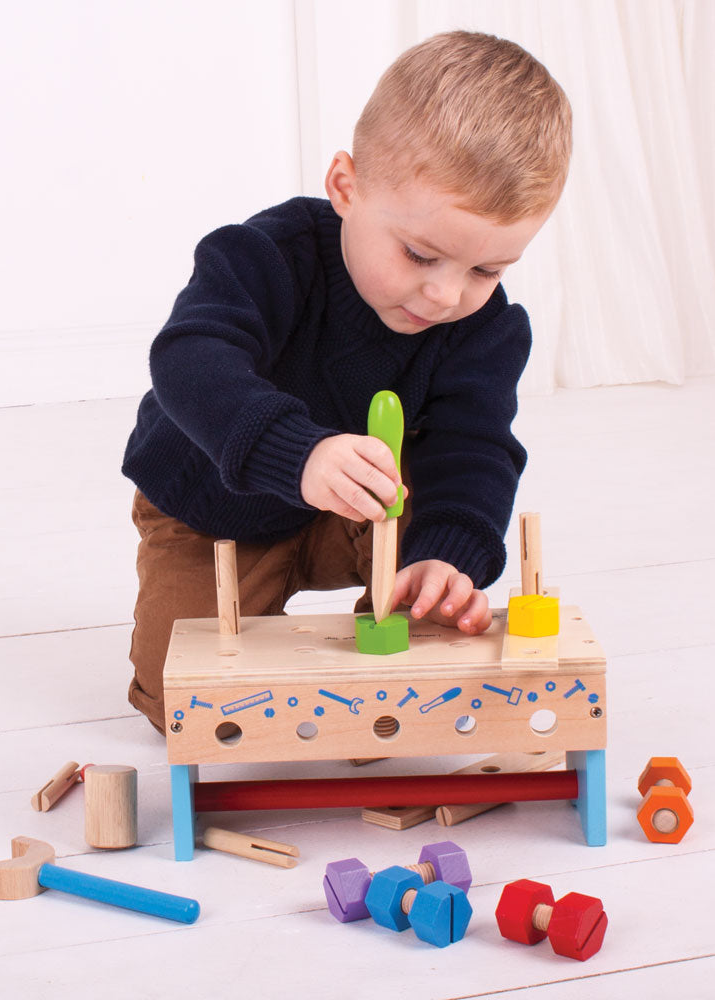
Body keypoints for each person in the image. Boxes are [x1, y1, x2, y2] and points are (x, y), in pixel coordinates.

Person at [122, 30, 572, 732]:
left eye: (486, 271)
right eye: (421, 254)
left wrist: (442, 556)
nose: (445, 296)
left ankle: (394, 654)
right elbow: (189, 358)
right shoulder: (263, 256)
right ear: (346, 186)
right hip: (213, 510)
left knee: (428, 604)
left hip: (358, 515)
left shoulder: (485, 331)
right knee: (181, 702)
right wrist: (296, 453)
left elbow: (474, 446)